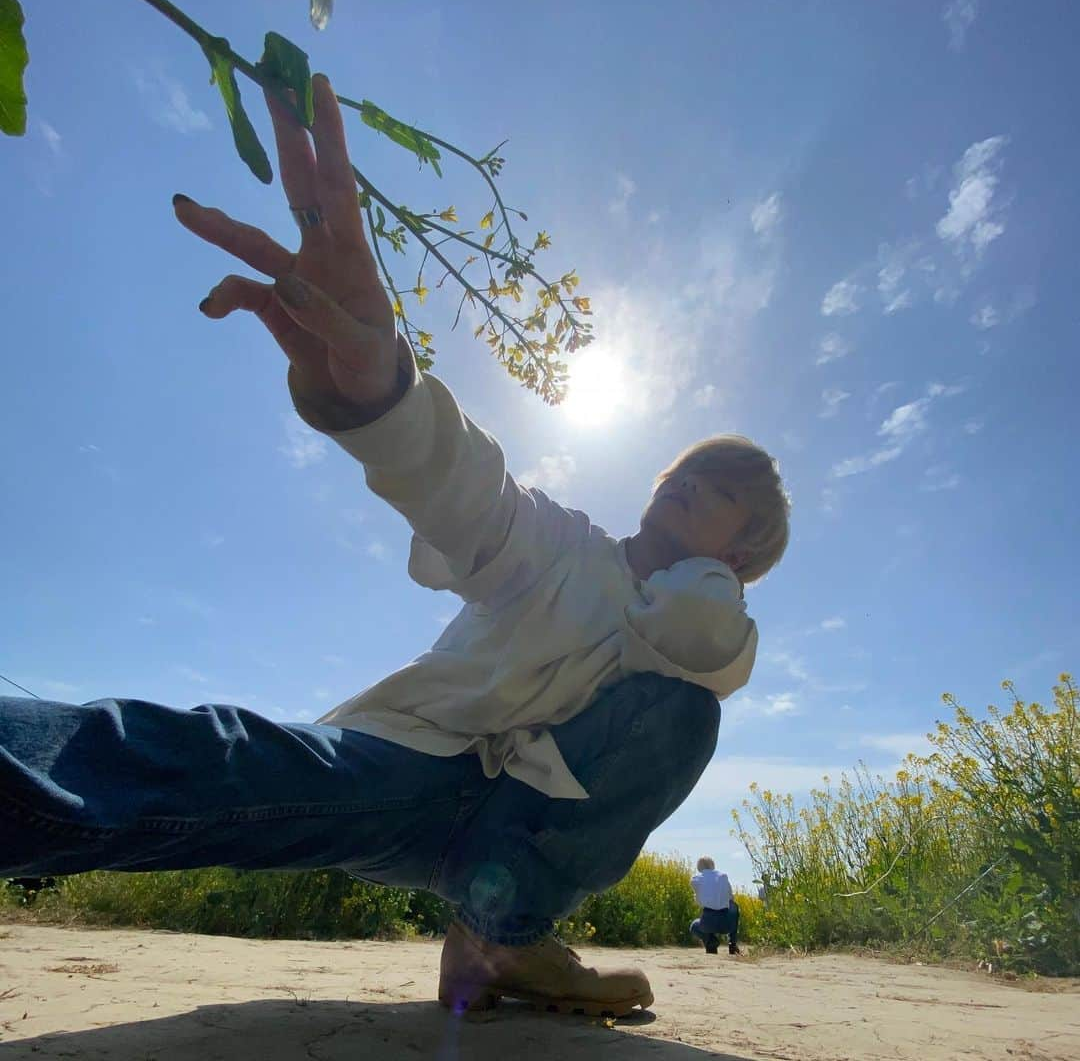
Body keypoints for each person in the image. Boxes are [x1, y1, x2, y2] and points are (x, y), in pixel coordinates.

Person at [0, 76, 788, 1018]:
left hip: (517, 835)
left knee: (683, 717)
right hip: (407, 771)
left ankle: (501, 941)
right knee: (216, 761)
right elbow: (469, 492)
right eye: (693, 468)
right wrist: (380, 395)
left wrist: (708, 580)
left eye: (724, 499)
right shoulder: (563, 545)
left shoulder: (710, 632)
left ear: (739, 561)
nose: (691, 482)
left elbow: (702, 643)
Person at [690, 857, 741, 955]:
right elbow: (731, 897)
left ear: (699, 867)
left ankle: (711, 941)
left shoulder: (695, 880)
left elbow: (698, 902)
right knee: (734, 906)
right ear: (712, 865)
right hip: (726, 924)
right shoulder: (723, 877)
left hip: (708, 922)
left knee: (694, 925)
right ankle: (732, 943)